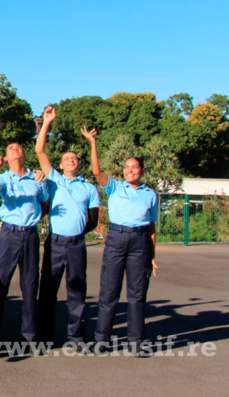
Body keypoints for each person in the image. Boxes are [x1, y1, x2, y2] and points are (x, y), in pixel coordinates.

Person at [82, 127, 158, 356]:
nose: (130, 170)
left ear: (142, 171)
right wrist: (92, 143)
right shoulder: (115, 186)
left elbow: (152, 227)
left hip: (140, 242)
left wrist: (153, 255)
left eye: (134, 167)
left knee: (137, 294)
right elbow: (96, 171)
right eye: (126, 167)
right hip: (117, 239)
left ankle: (136, 343)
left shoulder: (151, 194)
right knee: (109, 292)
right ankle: (101, 340)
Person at [36, 107, 100, 345]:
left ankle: (76, 336)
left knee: (76, 293)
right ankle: (45, 336)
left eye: (74, 158)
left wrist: (76, 234)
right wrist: (47, 123)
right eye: (66, 159)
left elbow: (92, 220)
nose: (70, 160)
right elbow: (40, 150)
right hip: (55, 244)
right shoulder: (54, 179)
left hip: (76, 246)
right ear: (60, 165)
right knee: (48, 293)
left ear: (78, 164)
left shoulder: (89, 188)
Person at [0, 136, 49, 344]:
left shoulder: (37, 178)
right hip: (9, 234)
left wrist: (34, 220)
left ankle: (30, 337)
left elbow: (45, 204)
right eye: (10, 147)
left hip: (30, 234)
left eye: (18, 146)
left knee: (30, 286)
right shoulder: (4, 178)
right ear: (5, 157)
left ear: (23, 154)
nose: (15, 148)